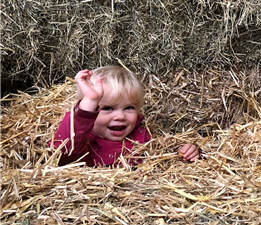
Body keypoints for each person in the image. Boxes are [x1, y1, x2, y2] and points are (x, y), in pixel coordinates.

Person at [50, 66, 200, 167]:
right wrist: (90, 102)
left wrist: (185, 152)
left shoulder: (142, 138)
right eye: (107, 108)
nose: (120, 116)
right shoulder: (84, 143)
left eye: (129, 108)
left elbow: (166, 157)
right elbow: (62, 153)